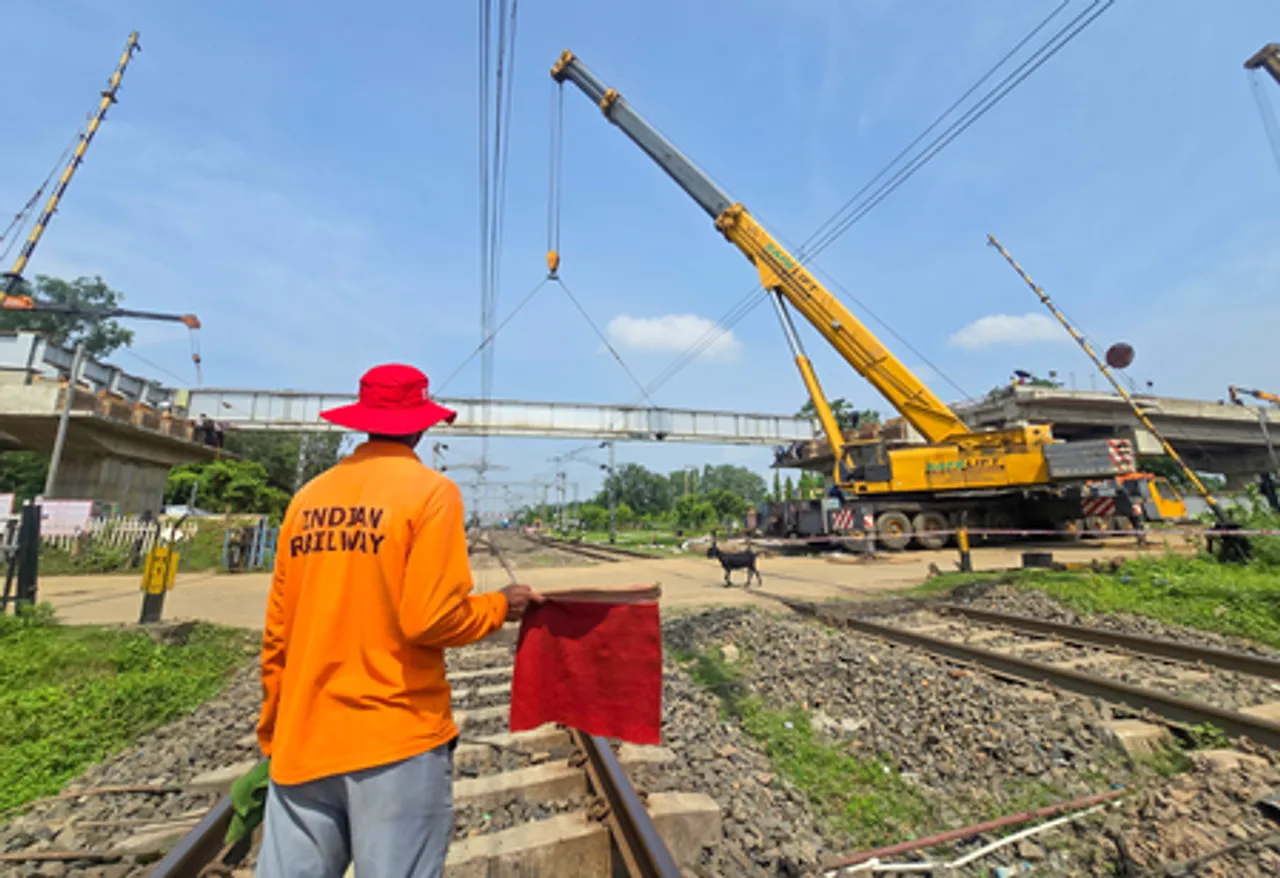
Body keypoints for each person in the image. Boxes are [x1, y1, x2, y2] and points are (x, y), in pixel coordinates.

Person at [254, 363, 542, 878]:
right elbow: (431, 619)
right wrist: (500, 606)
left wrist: (276, 730)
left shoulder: (306, 500)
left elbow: (279, 630)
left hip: (304, 737)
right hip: (394, 739)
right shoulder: (430, 492)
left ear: (363, 421)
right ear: (422, 425)